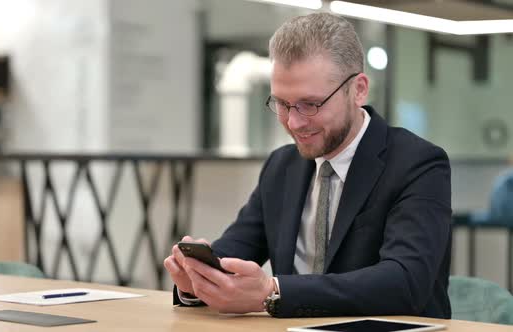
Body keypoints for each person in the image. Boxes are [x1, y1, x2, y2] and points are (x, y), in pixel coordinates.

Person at [164, 12, 452, 319]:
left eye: (310, 104)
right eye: (282, 103)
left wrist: (273, 291)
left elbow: (405, 282)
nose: (294, 122)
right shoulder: (281, 166)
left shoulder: (417, 164)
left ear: (358, 90)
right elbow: (234, 252)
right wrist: (198, 281)